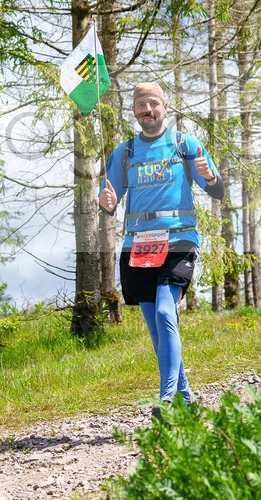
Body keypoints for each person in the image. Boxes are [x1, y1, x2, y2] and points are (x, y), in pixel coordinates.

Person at [98, 82, 224, 411]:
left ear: (165, 107)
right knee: (156, 327)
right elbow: (108, 204)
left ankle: (166, 398)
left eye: (154, 104)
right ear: (135, 112)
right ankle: (186, 398)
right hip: (137, 246)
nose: (148, 110)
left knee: (167, 311)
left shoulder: (186, 145)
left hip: (179, 238)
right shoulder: (123, 153)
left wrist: (210, 177)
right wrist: (106, 202)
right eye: (142, 106)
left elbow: (218, 191)